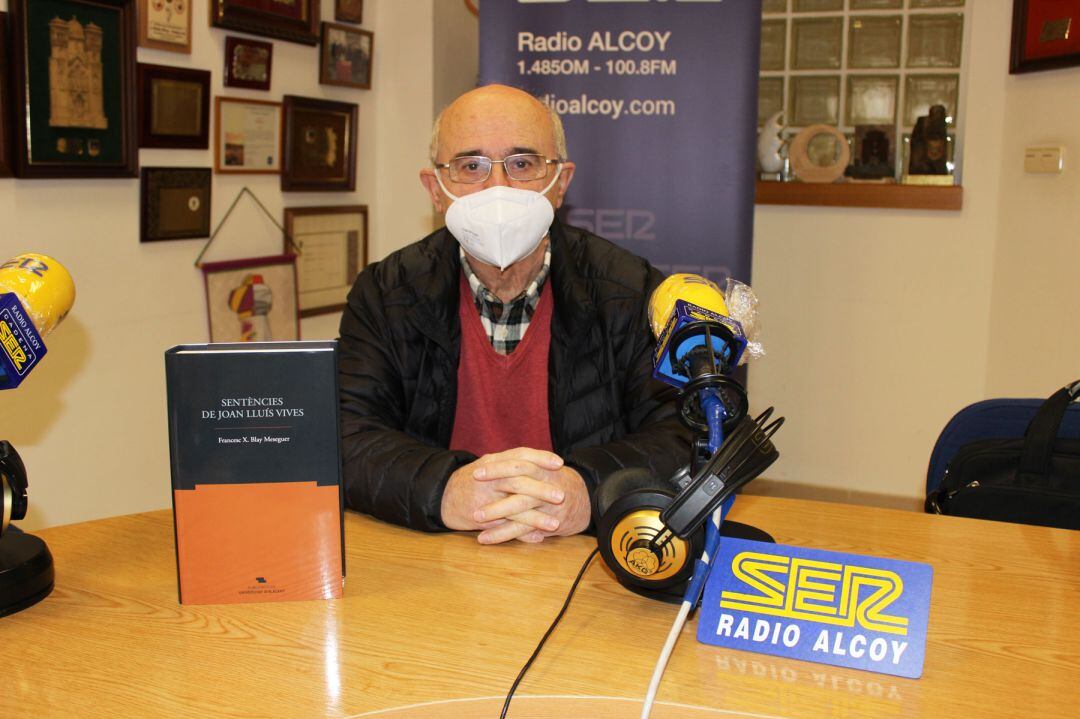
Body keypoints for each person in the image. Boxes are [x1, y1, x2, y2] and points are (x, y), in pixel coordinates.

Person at [338, 84, 690, 544]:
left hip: (585, 559)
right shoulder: (384, 293)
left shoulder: (632, 291)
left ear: (560, 183)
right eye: (471, 166)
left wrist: (587, 489)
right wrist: (444, 489)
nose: (498, 188)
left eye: (522, 164)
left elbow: (687, 433)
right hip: (433, 555)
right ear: (436, 190)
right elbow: (346, 435)